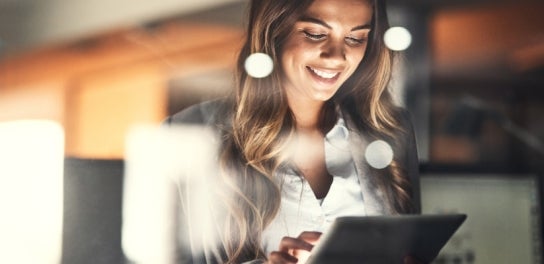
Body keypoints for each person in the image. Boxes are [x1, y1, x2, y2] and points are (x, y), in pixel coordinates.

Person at [164, 0, 421, 263]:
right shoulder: (191, 133)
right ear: (273, 31)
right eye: (315, 34)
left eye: (356, 39)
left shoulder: (391, 131)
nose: (337, 56)